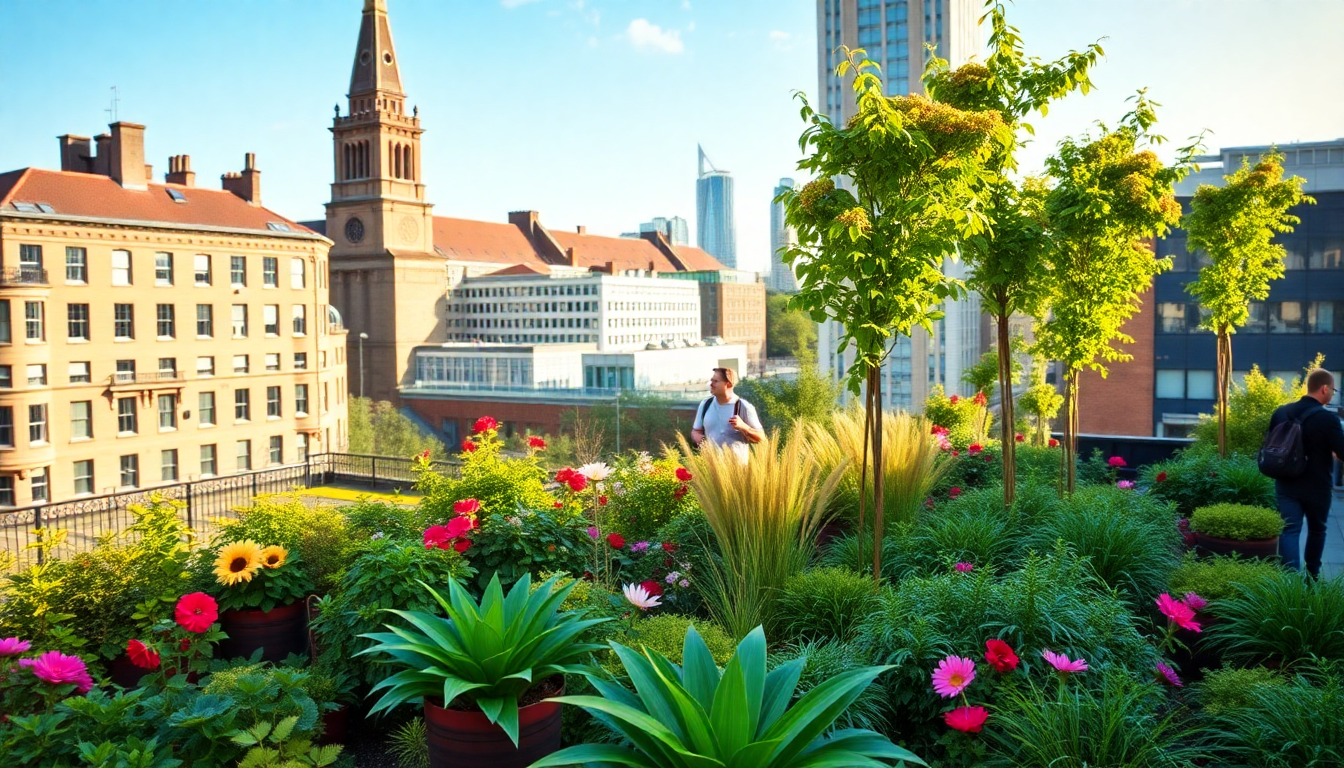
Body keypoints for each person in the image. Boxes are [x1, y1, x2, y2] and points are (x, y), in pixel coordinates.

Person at [1266, 368, 1344, 578]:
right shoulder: (1328, 419)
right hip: (1317, 486)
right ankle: (1311, 578)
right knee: (1317, 531)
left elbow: (1270, 445)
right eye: (1333, 390)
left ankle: (1290, 584)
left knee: (1289, 531)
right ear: (1324, 388)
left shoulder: (1282, 412)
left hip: (1286, 482)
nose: (1332, 394)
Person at [691, 367, 764, 462]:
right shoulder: (705, 404)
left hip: (737, 471)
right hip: (712, 468)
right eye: (711, 380)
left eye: (716, 381)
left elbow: (761, 438)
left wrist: (743, 427)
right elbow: (696, 431)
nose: (711, 384)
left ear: (728, 384)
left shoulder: (744, 407)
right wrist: (702, 442)